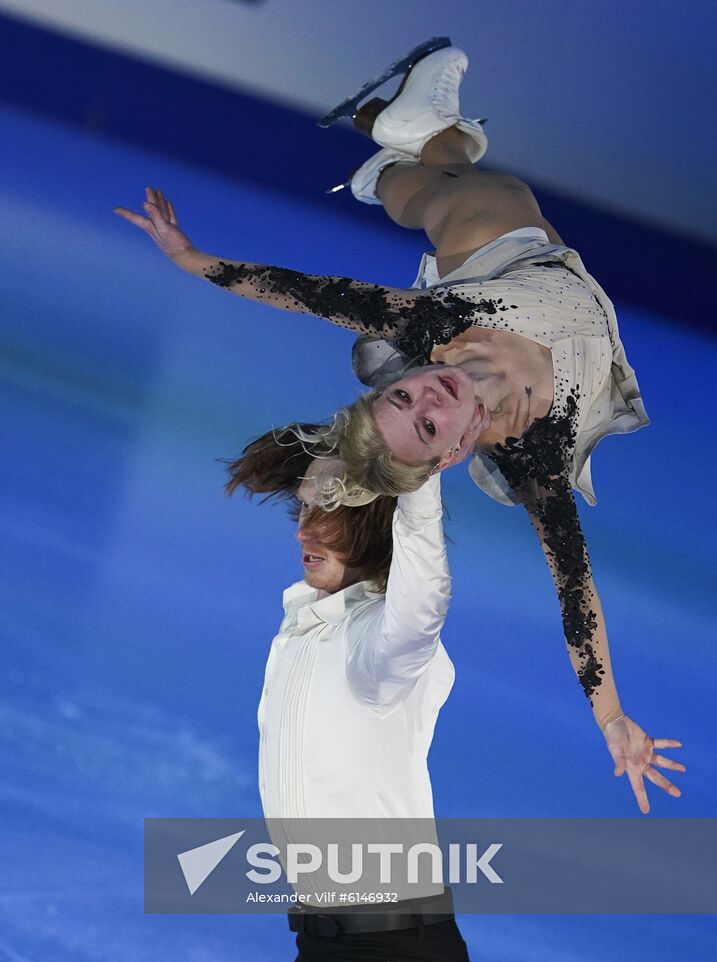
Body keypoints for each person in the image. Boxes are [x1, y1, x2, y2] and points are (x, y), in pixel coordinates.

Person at [114, 40, 686, 814]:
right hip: (569, 325)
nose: (430, 398)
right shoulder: (536, 451)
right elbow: (574, 593)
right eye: (427, 424)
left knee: (475, 197)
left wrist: (191, 260)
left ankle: (387, 159)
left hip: (503, 277)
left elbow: (299, 290)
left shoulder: (436, 319)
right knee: (490, 191)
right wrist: (611, 716)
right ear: (453, 451)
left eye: (403, 397)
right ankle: (397, 136)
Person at [224, 424, 473, 962]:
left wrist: (419, 477)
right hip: (331, 955)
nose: (303, 532)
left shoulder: (385, 650)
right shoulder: (307, 621)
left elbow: (422, 596)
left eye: (328, 515)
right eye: (304, 510)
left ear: (374, 526)